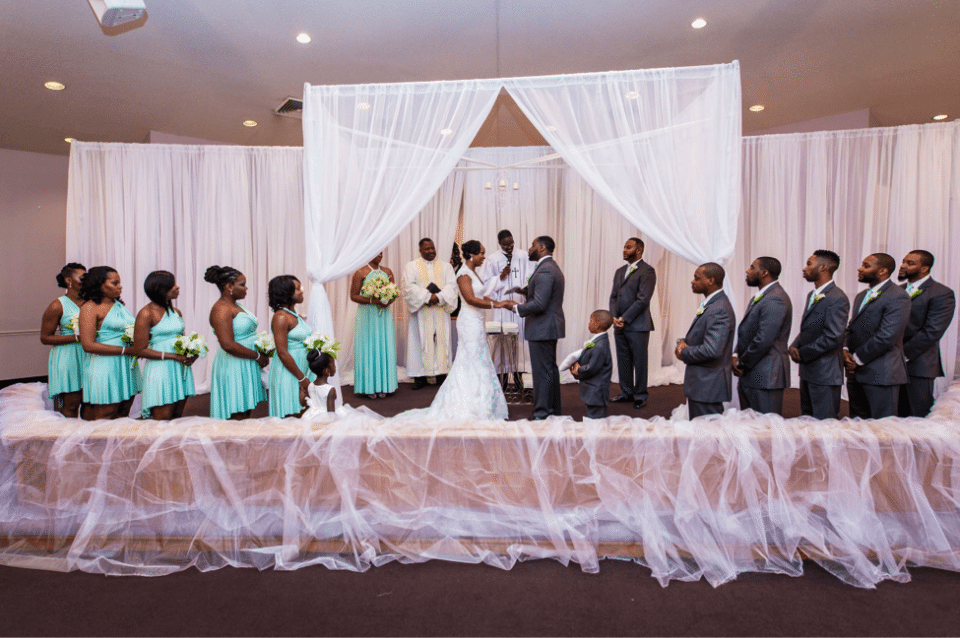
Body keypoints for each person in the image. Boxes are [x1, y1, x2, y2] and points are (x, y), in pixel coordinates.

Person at [404, 240, 509, 421]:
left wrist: (500, 301)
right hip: (469, 322)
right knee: (470, 359)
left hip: (477, 321)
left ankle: (480, 400)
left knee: (478, 359)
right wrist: (497, 305)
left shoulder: (473, 273)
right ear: (472, 255)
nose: (484, 257)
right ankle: (467, 403)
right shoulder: (463, 274)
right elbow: (470, 299)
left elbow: (482, 295)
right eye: (481, 253)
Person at [503, 236, 565, 420]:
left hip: (542, 327)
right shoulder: (550, 267)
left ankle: (542, 413)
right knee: (549, 370)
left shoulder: (545, 269)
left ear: (542, 248)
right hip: (547, 327)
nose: (529, 249)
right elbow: (544, 295)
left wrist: (515, 307)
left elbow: (539, 304)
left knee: (541, 372)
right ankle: (552, 410)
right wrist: (526, 291)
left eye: (532, 245)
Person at [844, 253, 912, 419]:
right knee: (857, 424)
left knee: (882, 427)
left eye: (866, 266)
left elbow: (887, 335)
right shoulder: (861, 296)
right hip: (855, 373)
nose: (860, 269)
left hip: (882, 373)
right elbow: (851, 327)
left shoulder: (898, 296)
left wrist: (856, 359)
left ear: (882, 271)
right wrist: (844, 349)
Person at [788, 250, 850, 419]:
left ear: (823, 268)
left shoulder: (837, 297)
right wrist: (794, 345)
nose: (804, 268)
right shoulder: (812, 295)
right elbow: (809, 328)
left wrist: (803, 353)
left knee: (825, 425)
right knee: (807, 421)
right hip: (808, 371)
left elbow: (833, 336)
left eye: (809, 264)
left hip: (825, 373)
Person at [77, 266, 142, 420]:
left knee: (123, 415)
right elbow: (88, 345)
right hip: (105, 367)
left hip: (126, 366)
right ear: (99, 285)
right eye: (114, 283)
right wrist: (126, 350)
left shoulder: (118, 305)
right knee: (105, 417)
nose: (120, 286)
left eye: (120, 283)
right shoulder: (89, 308)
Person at [897, 250, 956, 417]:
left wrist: (902, 354)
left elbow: (932, 331)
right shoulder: (897, 291)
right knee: (893, 417)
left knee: (917, 415)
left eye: (910, 263)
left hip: (919, 364)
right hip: (891, 366)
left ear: (924, 268)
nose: (903, 266)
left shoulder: (941, 293)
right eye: (903, 261)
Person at [132, 271, 197, 420]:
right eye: (172, 285)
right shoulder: (146, 313)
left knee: (177, 418)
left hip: (179, 368)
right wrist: (173, 356)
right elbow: (140, 350)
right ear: (160, 289)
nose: (177, 287)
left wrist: (193, 353)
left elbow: (181, 340)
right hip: (160, 370)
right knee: (162, 419)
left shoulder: (176, 312)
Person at [206, 265, 268, 420]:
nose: (246, 288)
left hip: (245, 361)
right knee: (236, 412)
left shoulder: (235, 305)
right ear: (229, 286)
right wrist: (257, 356)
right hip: (233, 364)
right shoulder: (221, 309)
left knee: (246, 411)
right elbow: (227, 344)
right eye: (242, 284)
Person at [733, 257, 793, 415]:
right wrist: (735, 354)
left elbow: (763, 339)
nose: (747, 271)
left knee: (766, 425)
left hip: (766, 374)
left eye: (752, 267)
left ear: (764, 272)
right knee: (750, 423)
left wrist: (742, 363)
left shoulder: (775, 298)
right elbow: (747, 332)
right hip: (754, 372)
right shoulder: (760, 297)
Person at [675, 263, 735, 419]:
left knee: (707, 431)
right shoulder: (713, 304)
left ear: (710, 281)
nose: (692, 281)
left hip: (708, 384)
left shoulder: (719, 309)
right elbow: (700, 335)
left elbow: (712, 350)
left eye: (697, 278)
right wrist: (681, 341)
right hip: (703, 384)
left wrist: (683, 351)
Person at [402, 238, 458, 390]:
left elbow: (452, 286)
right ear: (420, 250)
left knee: (441, 340)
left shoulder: (446, 267)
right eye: (427, 249)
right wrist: (427, 297)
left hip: (440, 309)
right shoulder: (411, 266)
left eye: (432, 248)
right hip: (421, 311)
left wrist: (438, 297)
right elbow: (409, 288)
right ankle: (419, 376)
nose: (431, 251)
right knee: (418, 342)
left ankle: (441, 373)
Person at [609, 237, 656, 409]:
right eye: (624, 247)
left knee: (639, 361)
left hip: (638, 325)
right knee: (623, 360)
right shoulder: (619, 271)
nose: (624, 250)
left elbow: (643, 300)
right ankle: (626, 392)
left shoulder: (647, 271)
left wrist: (624, 318)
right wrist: (614, 317)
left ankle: (640, 395)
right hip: (619, 325)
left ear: (639, 250)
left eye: (628, 247)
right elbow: (613, 297)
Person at [482, 229, 533, 385]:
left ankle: (519, 381)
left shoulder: (523, 256)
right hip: (502, 308)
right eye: (505, 245)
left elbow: (530, 276)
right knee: (501, 344)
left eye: (511, 244)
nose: (510, 247)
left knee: (520, 345)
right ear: (499, 243)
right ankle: (501, 382)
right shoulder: (492, 259)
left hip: (520, 305)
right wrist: (501, 277)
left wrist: (526, 290)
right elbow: (485, 286)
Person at [40, 262, 86, 417]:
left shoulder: (91, 303)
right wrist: (77, 337)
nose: (86, 280)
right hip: (67, 357)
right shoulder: (57, 305)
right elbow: (45, 338)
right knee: (69, 405)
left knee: (90, 404)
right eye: (82, 277)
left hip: (89, 355)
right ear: (68, 280)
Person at [350, 252, 398, 399]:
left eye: (382, 253)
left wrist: (388, 300)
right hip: (367, 314)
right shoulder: (360, 272)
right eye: (377, 252)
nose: (380, 255)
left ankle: (385, 384)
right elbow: (353, 295)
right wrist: (373, 301)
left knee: (384, 344)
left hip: (384, 313)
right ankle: (369, 386)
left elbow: (394, 292)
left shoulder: (387, 271)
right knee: (368, 345)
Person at [268, 275, 314, 418]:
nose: (302, 291)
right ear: (285, 292)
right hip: (289, 371)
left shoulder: (293, 314)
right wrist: (301, 378)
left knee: (303, 413)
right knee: (290, 415)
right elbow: (282, 352)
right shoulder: (281, 317)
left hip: (301, 367)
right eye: (297, 289)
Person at [571, 310, 614, 419]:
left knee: (596, 420)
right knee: (594, 417)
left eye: (591, 320)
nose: (589, 323)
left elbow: (592, 368)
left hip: (596, 392)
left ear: (597, 324)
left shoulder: (599, 346)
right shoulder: (599, 341)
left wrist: (578, 369)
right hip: (594, 391)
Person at [302, 350, 338, 419]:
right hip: (324, 419)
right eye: (333, 365)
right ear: (327, 370)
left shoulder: (310, 385)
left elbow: (304, 402)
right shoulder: (330, 390)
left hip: (311, 416)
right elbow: (331, 415)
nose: (335, 367)